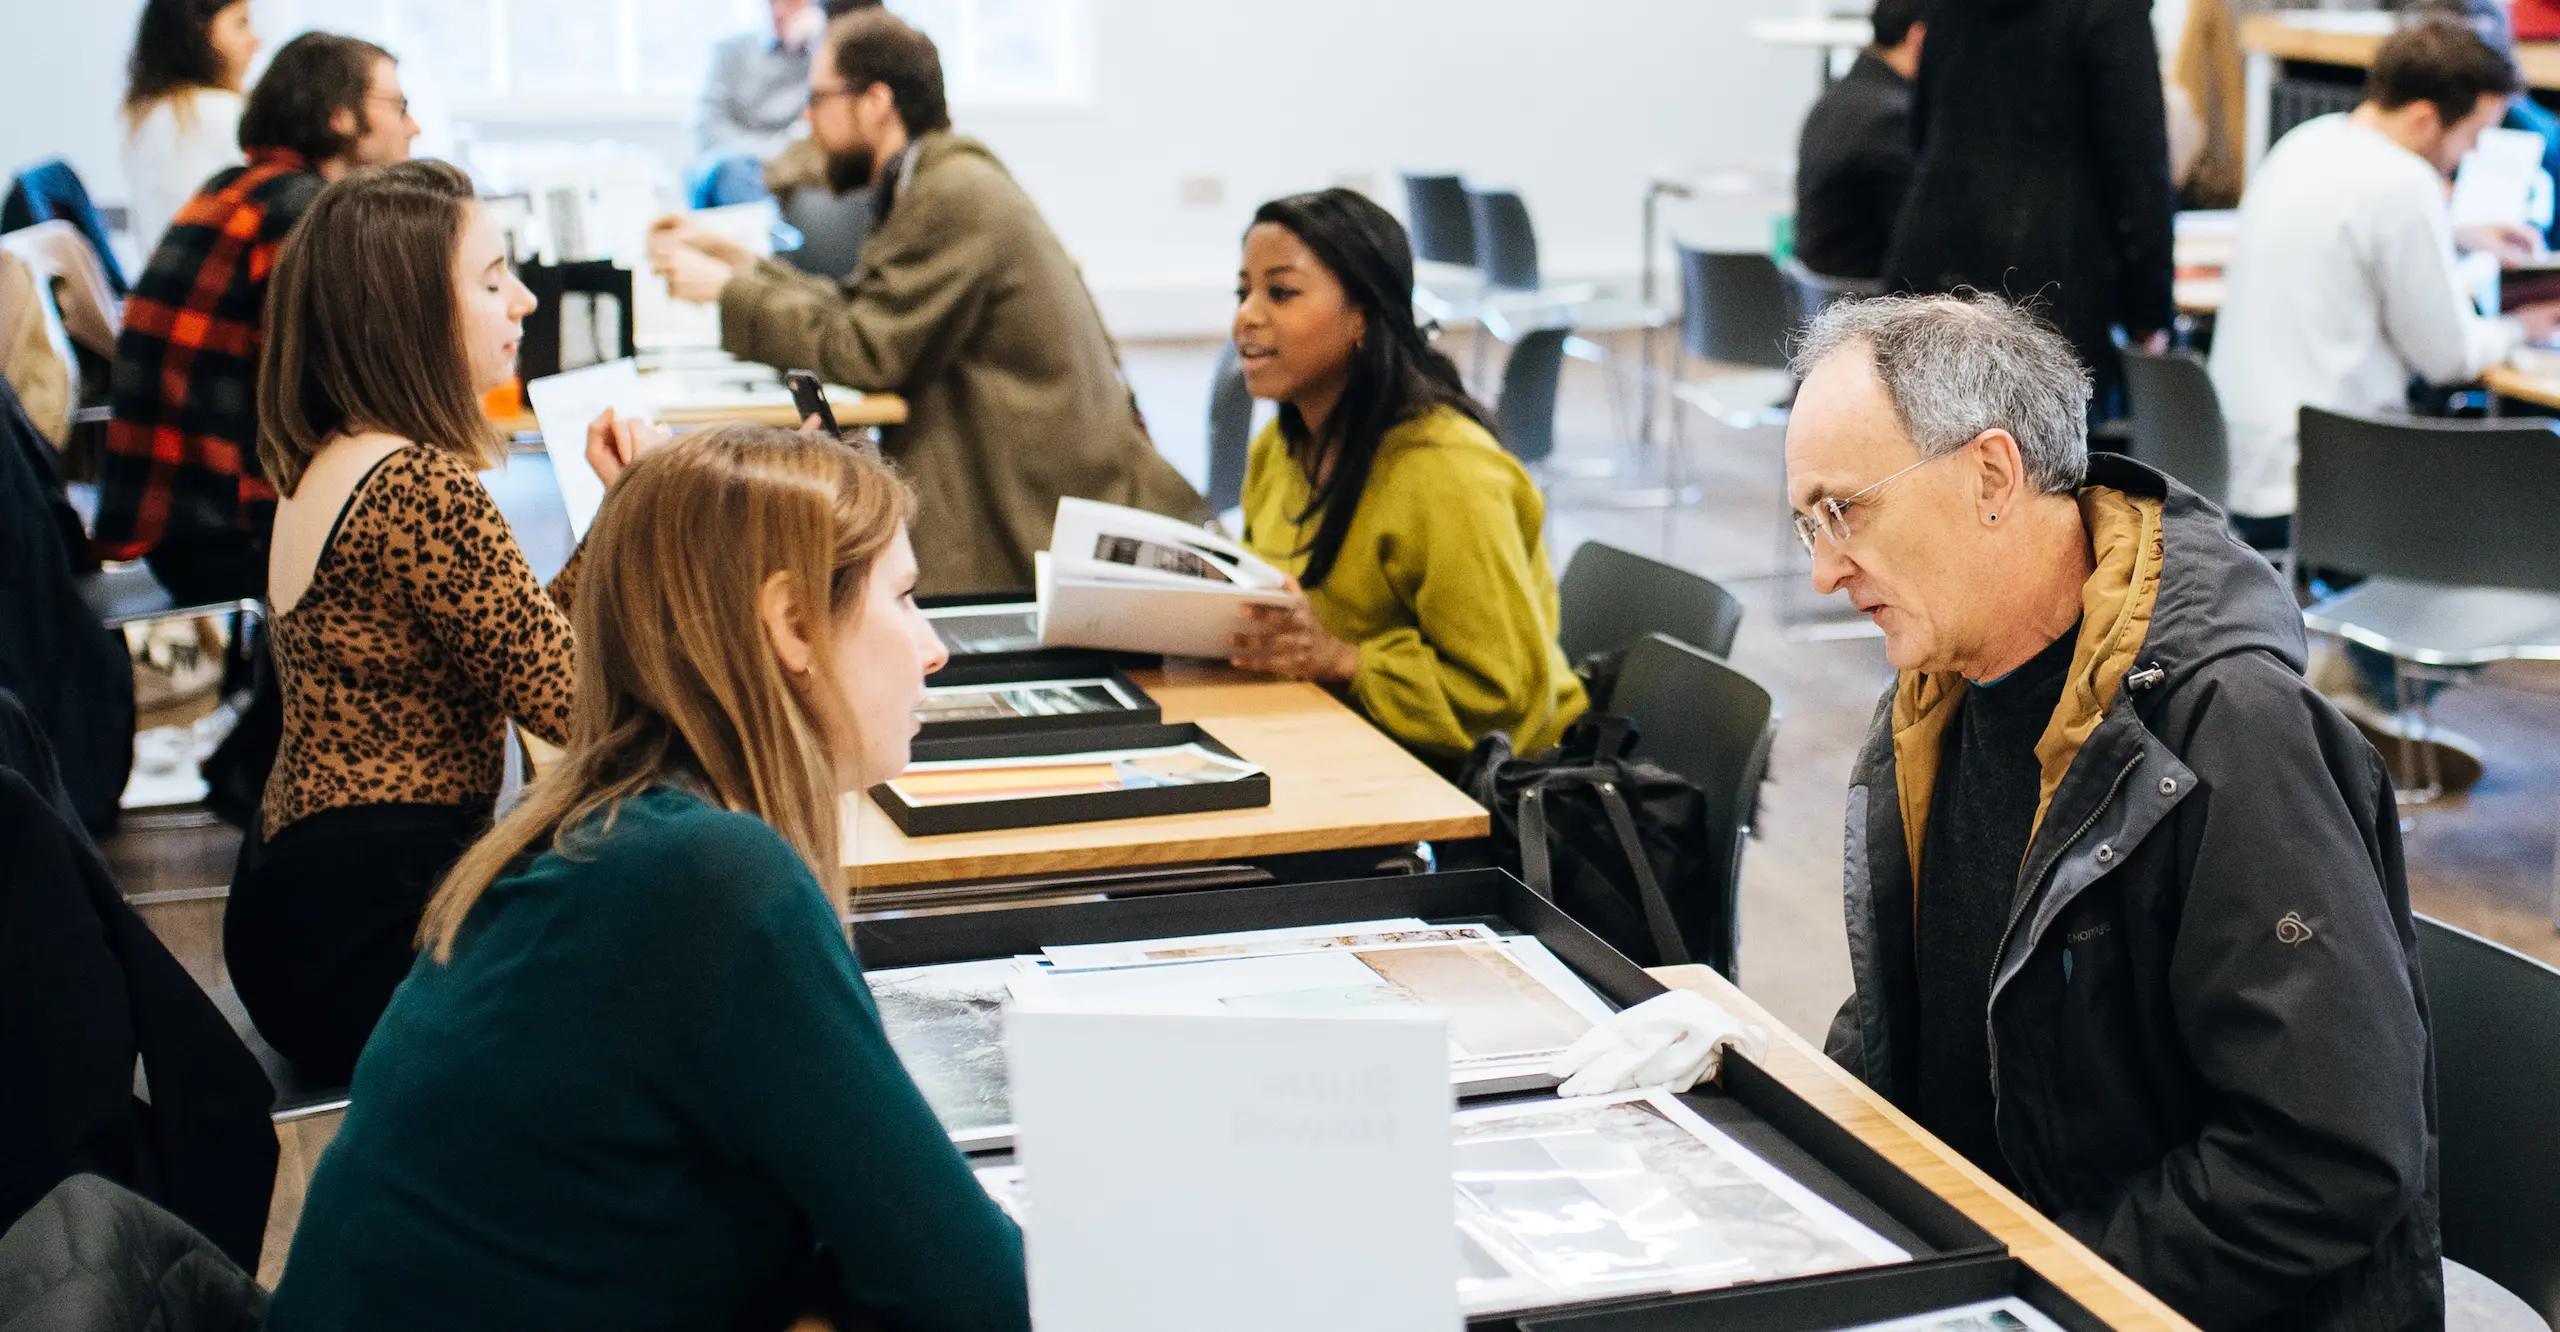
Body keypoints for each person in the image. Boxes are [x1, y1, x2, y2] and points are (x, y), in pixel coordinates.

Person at [263, 425, 1029, 1331]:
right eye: (903, 599)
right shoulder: (714, 881)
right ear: (790, 623)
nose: (933, 648)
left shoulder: (599, 831)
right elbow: (985, 1297)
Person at [1787, 293, 2438, 1329]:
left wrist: (2030, 1293)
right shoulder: (1930, 700)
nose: (1824, 571)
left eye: (1843, 509)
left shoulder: (2232, 734)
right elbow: (1918, 1027)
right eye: (1807, 522)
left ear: (1992, 476)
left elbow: (2330, 1157)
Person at [224, 160, 658, 1084]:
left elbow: (513, 642)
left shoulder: (338, 455)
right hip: (368, 934)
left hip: (305, 907)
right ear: (409, 311)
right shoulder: (417, 486)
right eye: (494, 279)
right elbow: (579, 703)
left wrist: (616, 510)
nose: (527, 301)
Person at [652, 9, 1204, 596]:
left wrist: (728, 292)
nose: (805, 118)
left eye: (818, 99)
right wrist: (740, 265)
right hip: (1014, 479)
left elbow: (868, 349)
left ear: (876, 103)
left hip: (1029, 507)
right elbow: (865, 308)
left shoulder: (954, 192)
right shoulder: (930, 174)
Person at [1224, 189, 1585, 766]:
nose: (1246, 315)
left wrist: (1342, 658)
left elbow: (1503, 697)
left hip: (1486, 790)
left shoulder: (1447, 472)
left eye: (1281, 292)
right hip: (1344, 744)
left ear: (1362, 315)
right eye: (1243, 292)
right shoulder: (1279, 446)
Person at [90, 32, 418, 607]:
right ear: (341, 117)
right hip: (227, 538)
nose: (413, 127)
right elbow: (335, 396)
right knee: (423, 549)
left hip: (181, 527)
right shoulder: (303, 214)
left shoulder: (234, 189)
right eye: (398, 106)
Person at [2209, 18, 2560, 550]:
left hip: (2234, 468)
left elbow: (2349, 238)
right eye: (2473, 136)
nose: (2468, 156)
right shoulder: (2404, 184)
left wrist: (2456, 236)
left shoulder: (2307, 141)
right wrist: (2521, 325)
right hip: (2327, 492)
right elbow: (2448, 357)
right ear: (2423, 118)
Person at [1881, 0, 2176, 420]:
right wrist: (2150, 311)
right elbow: (2139, 169)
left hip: (1935, 263)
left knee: (1929, 460)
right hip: (2049, 285)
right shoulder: (2109, 10)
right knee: (2036, 475)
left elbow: (1921, 129)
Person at [1792, 0, 1926, 286]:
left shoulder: (1839, 97)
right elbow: (1918, 239)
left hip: (1826, 301)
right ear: (1920, 37)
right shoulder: (1891, 116)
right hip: (1866, 306)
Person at [120, 0, 259, 259]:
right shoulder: (222, 112)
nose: (255, 41)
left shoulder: (147, 114)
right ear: (197, 32)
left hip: (164, 286)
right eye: (240, 23)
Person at [690, 0, 826, 208]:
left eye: (791, 3)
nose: (779, 11)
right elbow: (708, 126)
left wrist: (818, 44)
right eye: (773, 2)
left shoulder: (823, 54)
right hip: (733, 161)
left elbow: (819, 127)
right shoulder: (732, 48)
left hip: (791, 163)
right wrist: (760, 156)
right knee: (735, 171)